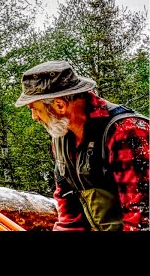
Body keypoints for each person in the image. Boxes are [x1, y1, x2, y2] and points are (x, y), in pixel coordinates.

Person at [14, 60, 149, 231]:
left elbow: (142, 219)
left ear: (60, 105)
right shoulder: (60, 136)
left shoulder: (126, 131)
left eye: (34, 108)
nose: (34, 117)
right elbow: (68, 208)